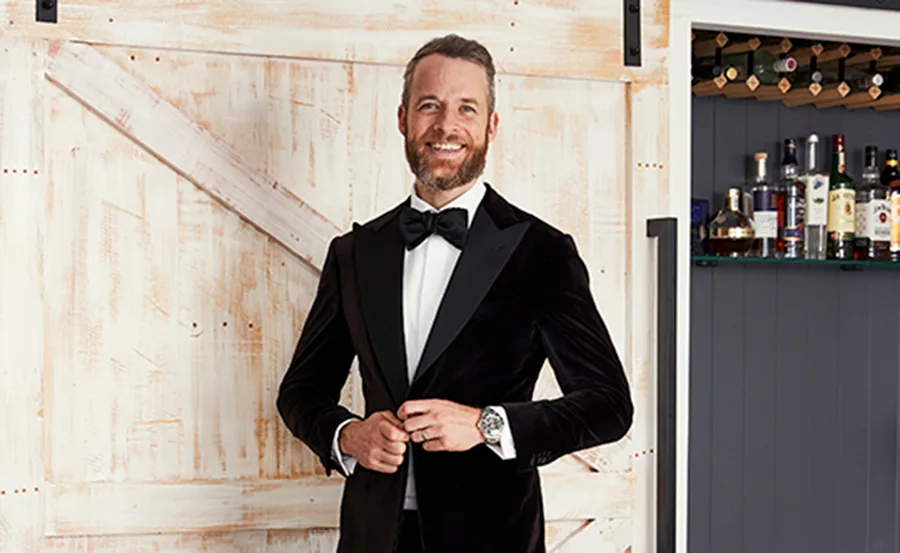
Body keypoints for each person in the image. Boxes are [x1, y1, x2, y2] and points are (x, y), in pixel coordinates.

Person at [276, 33, 633, 553]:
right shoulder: (354, 252)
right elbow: (301, 392)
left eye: (467, 108)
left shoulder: (543, 252)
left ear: (491, 125)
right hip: (373, 536)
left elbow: (608, 405)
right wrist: (348, 434)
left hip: (493, 537)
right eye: (430, 106)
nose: (446, 125)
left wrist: (487, 425)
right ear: (403, 119)